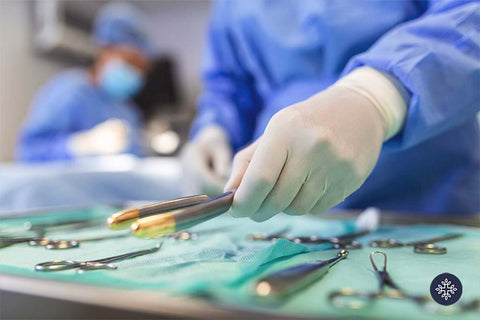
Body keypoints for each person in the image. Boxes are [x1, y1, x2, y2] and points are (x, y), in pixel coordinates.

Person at [182, 0, 480, 220]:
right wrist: (215, 130)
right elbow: (231, 79)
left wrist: (377, 95)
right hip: (278, 215)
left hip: (425, 206)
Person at [17, 3, 154, 162]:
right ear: (104, 51)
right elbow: (28, 153)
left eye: (141, 68)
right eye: (131, 62)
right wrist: (81, 145)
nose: (135, 73)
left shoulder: (129, 112)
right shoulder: (69, 92)